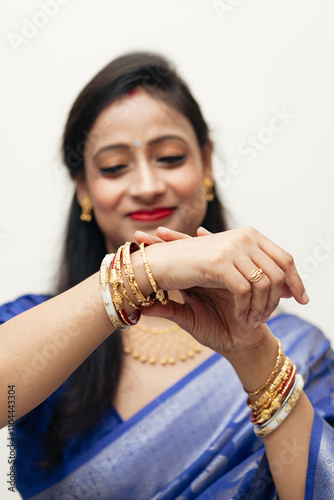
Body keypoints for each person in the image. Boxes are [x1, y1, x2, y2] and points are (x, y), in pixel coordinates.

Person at [0, 51, 333, 500]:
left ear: (207, 161)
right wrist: (141, 271)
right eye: (114, 167)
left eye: (170, 157)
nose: (146, 185)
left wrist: (254, 355)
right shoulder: (37, 328)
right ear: (83, 187)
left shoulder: (297, 354)